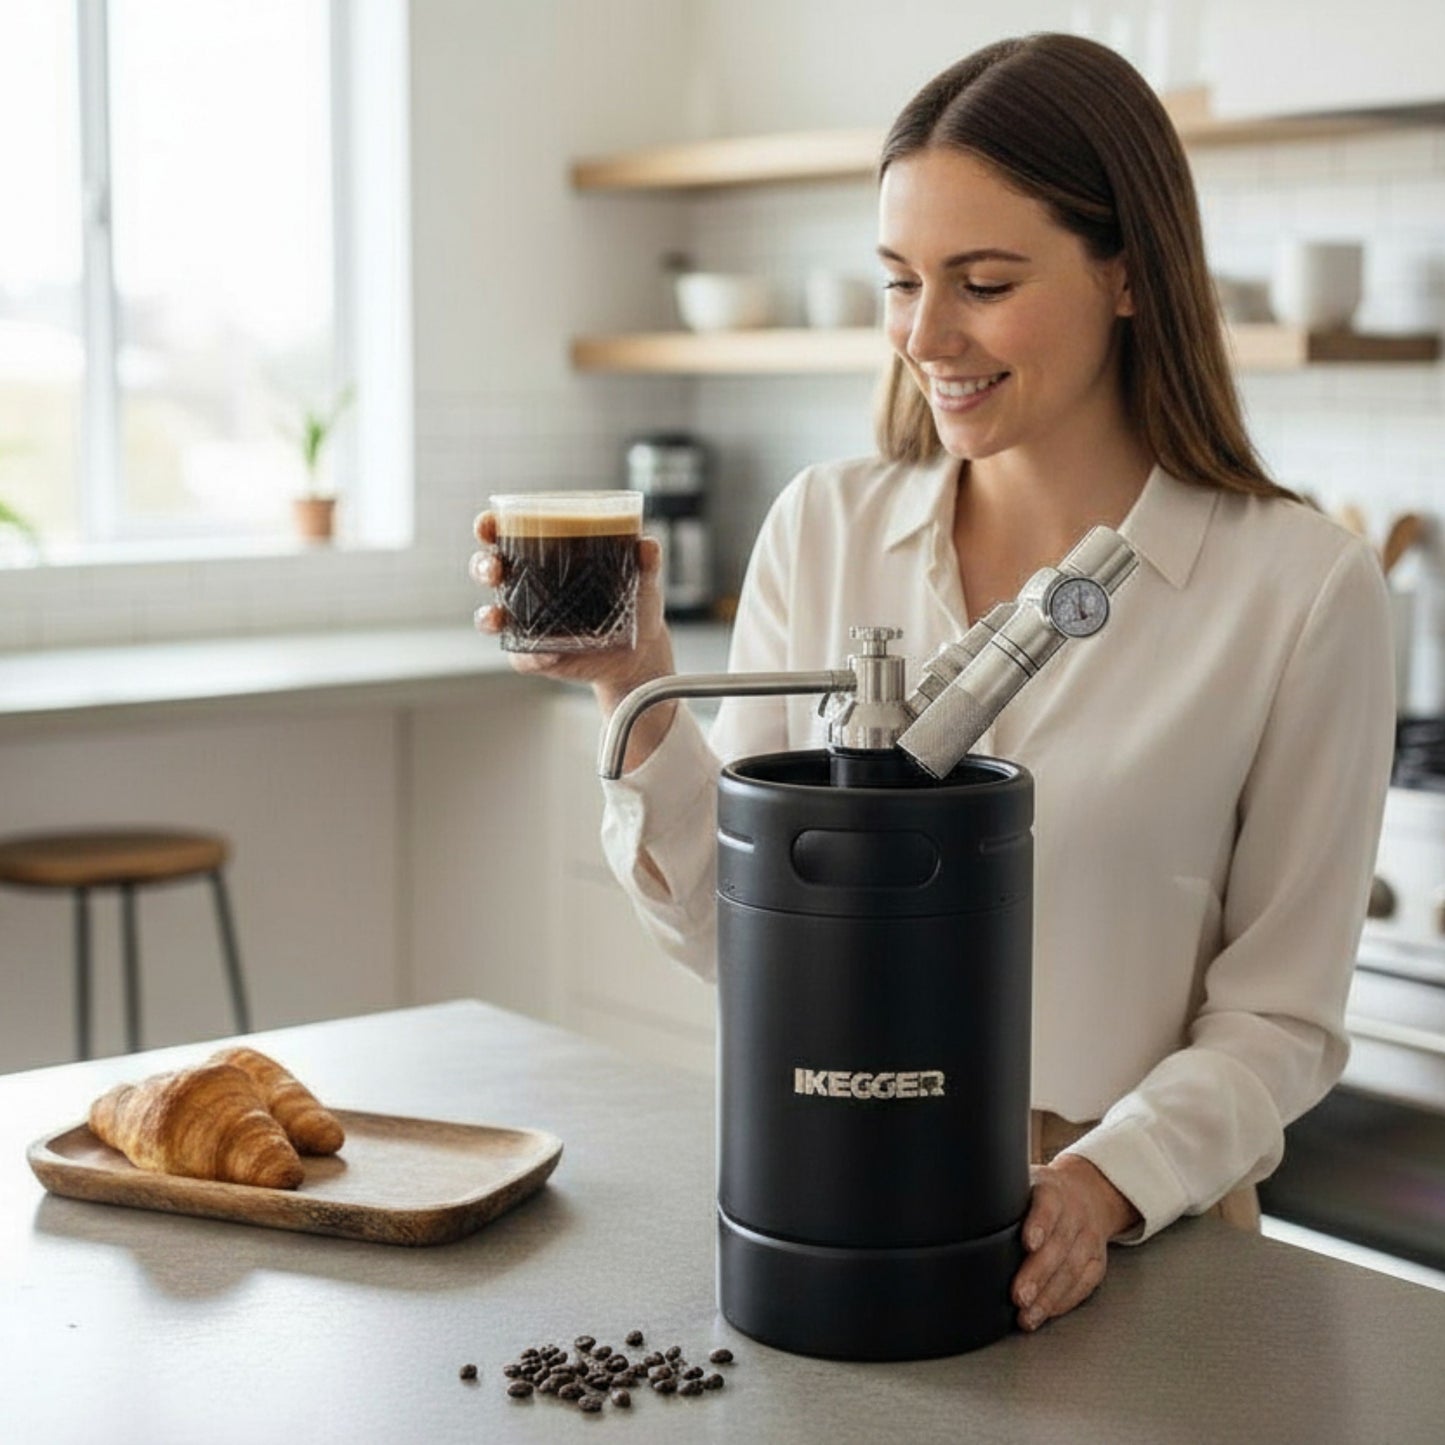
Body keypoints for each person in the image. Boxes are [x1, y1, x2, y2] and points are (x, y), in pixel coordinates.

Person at [472, 33, 1394, 1333]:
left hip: (1147, 1250)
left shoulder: (1297, 587)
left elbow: (1281, 1019)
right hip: (842, 1198)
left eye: (984, 281)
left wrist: (1100, 1183)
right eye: (899, 282)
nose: (925, 334)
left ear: (1128, 273)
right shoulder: (826, 527)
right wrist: (629, 685)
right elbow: (741, 946)